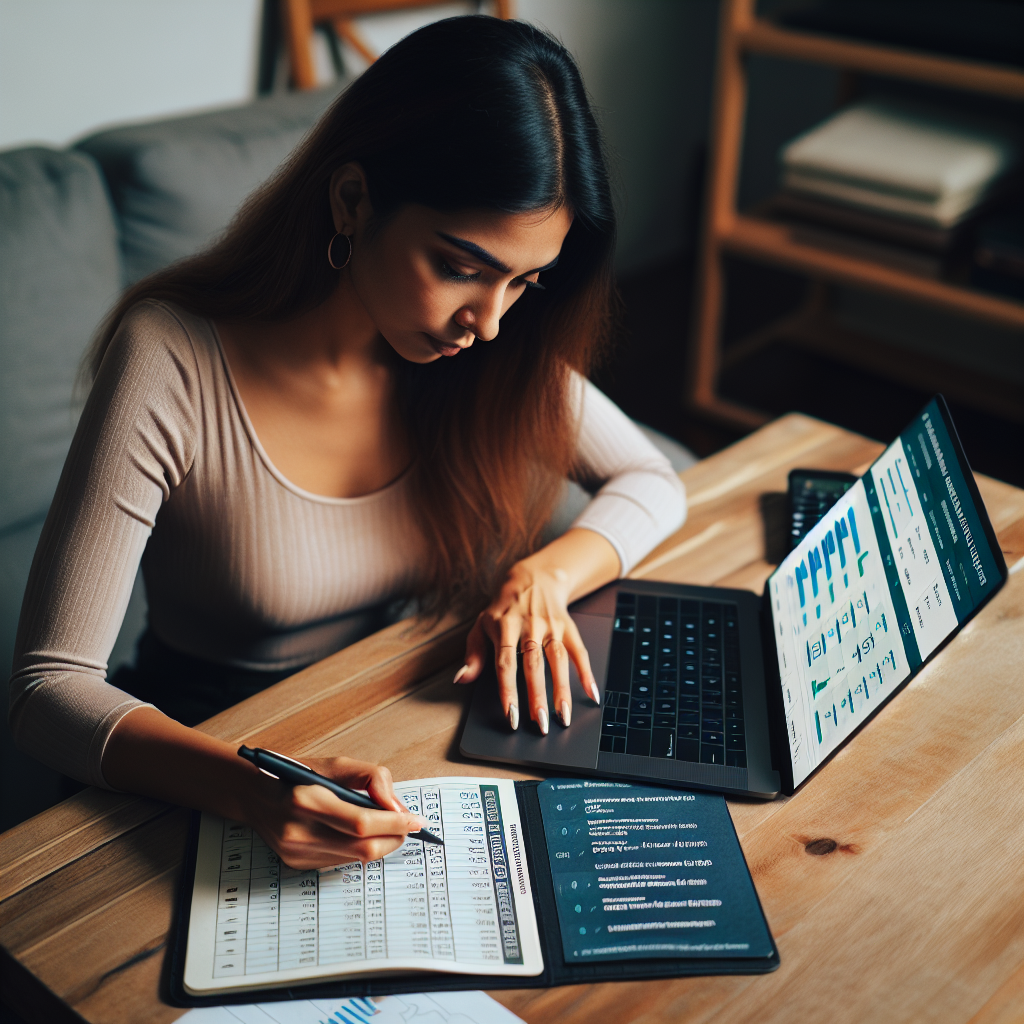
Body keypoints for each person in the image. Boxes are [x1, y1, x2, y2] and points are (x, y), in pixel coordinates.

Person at [9, 17, 685, 869]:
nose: (490, 320)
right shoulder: (171, 355)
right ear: (353, 201)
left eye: (525, 281)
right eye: (462, 266)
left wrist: (542, 578)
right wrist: (249, 786)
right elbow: (45, 691)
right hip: (207, 758)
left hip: (387, 726)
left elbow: (651, 478)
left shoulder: (479, 345)